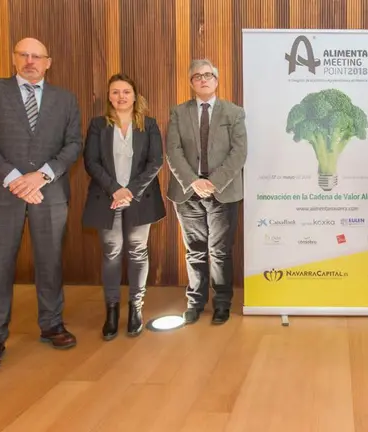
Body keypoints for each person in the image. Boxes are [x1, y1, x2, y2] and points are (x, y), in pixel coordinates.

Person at [0, 37, 83, 375]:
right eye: (24, 55)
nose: (30, 61)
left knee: (50, 262)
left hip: (49, 192)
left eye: (37, 56)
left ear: (48, 62)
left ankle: (51, 324)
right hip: (1, 194)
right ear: (14, 59)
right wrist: (14, 177)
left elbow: (73, 143)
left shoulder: (65, 99)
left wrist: (41, 176)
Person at [82, 73, 166, 340]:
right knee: (111, 252)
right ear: (109, 96)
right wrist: (115, 190)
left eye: (126, 91)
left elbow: (155, 162)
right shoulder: (98, 125)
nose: (121, 96)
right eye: (115, 92)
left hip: (140, 198)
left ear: (135, 95)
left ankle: (136, 309)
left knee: (138, 252)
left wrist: (130, 191)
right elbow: (91, 161)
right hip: (107, 198)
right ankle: (111, 311)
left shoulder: (149, 125)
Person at [166, 59, 247, 325]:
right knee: (195, 251)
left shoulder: (234, 113)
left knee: (221, 251)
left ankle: (222, 303)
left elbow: (239, 153)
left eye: (208, 75)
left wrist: (213, 182)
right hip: (188, 192)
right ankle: (195, 302)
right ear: (191, 83)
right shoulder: (178, 113)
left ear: (217, 80)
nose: (203, 79)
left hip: (222, 191)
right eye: (197, 76)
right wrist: (193, 181)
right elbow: (173, 152)